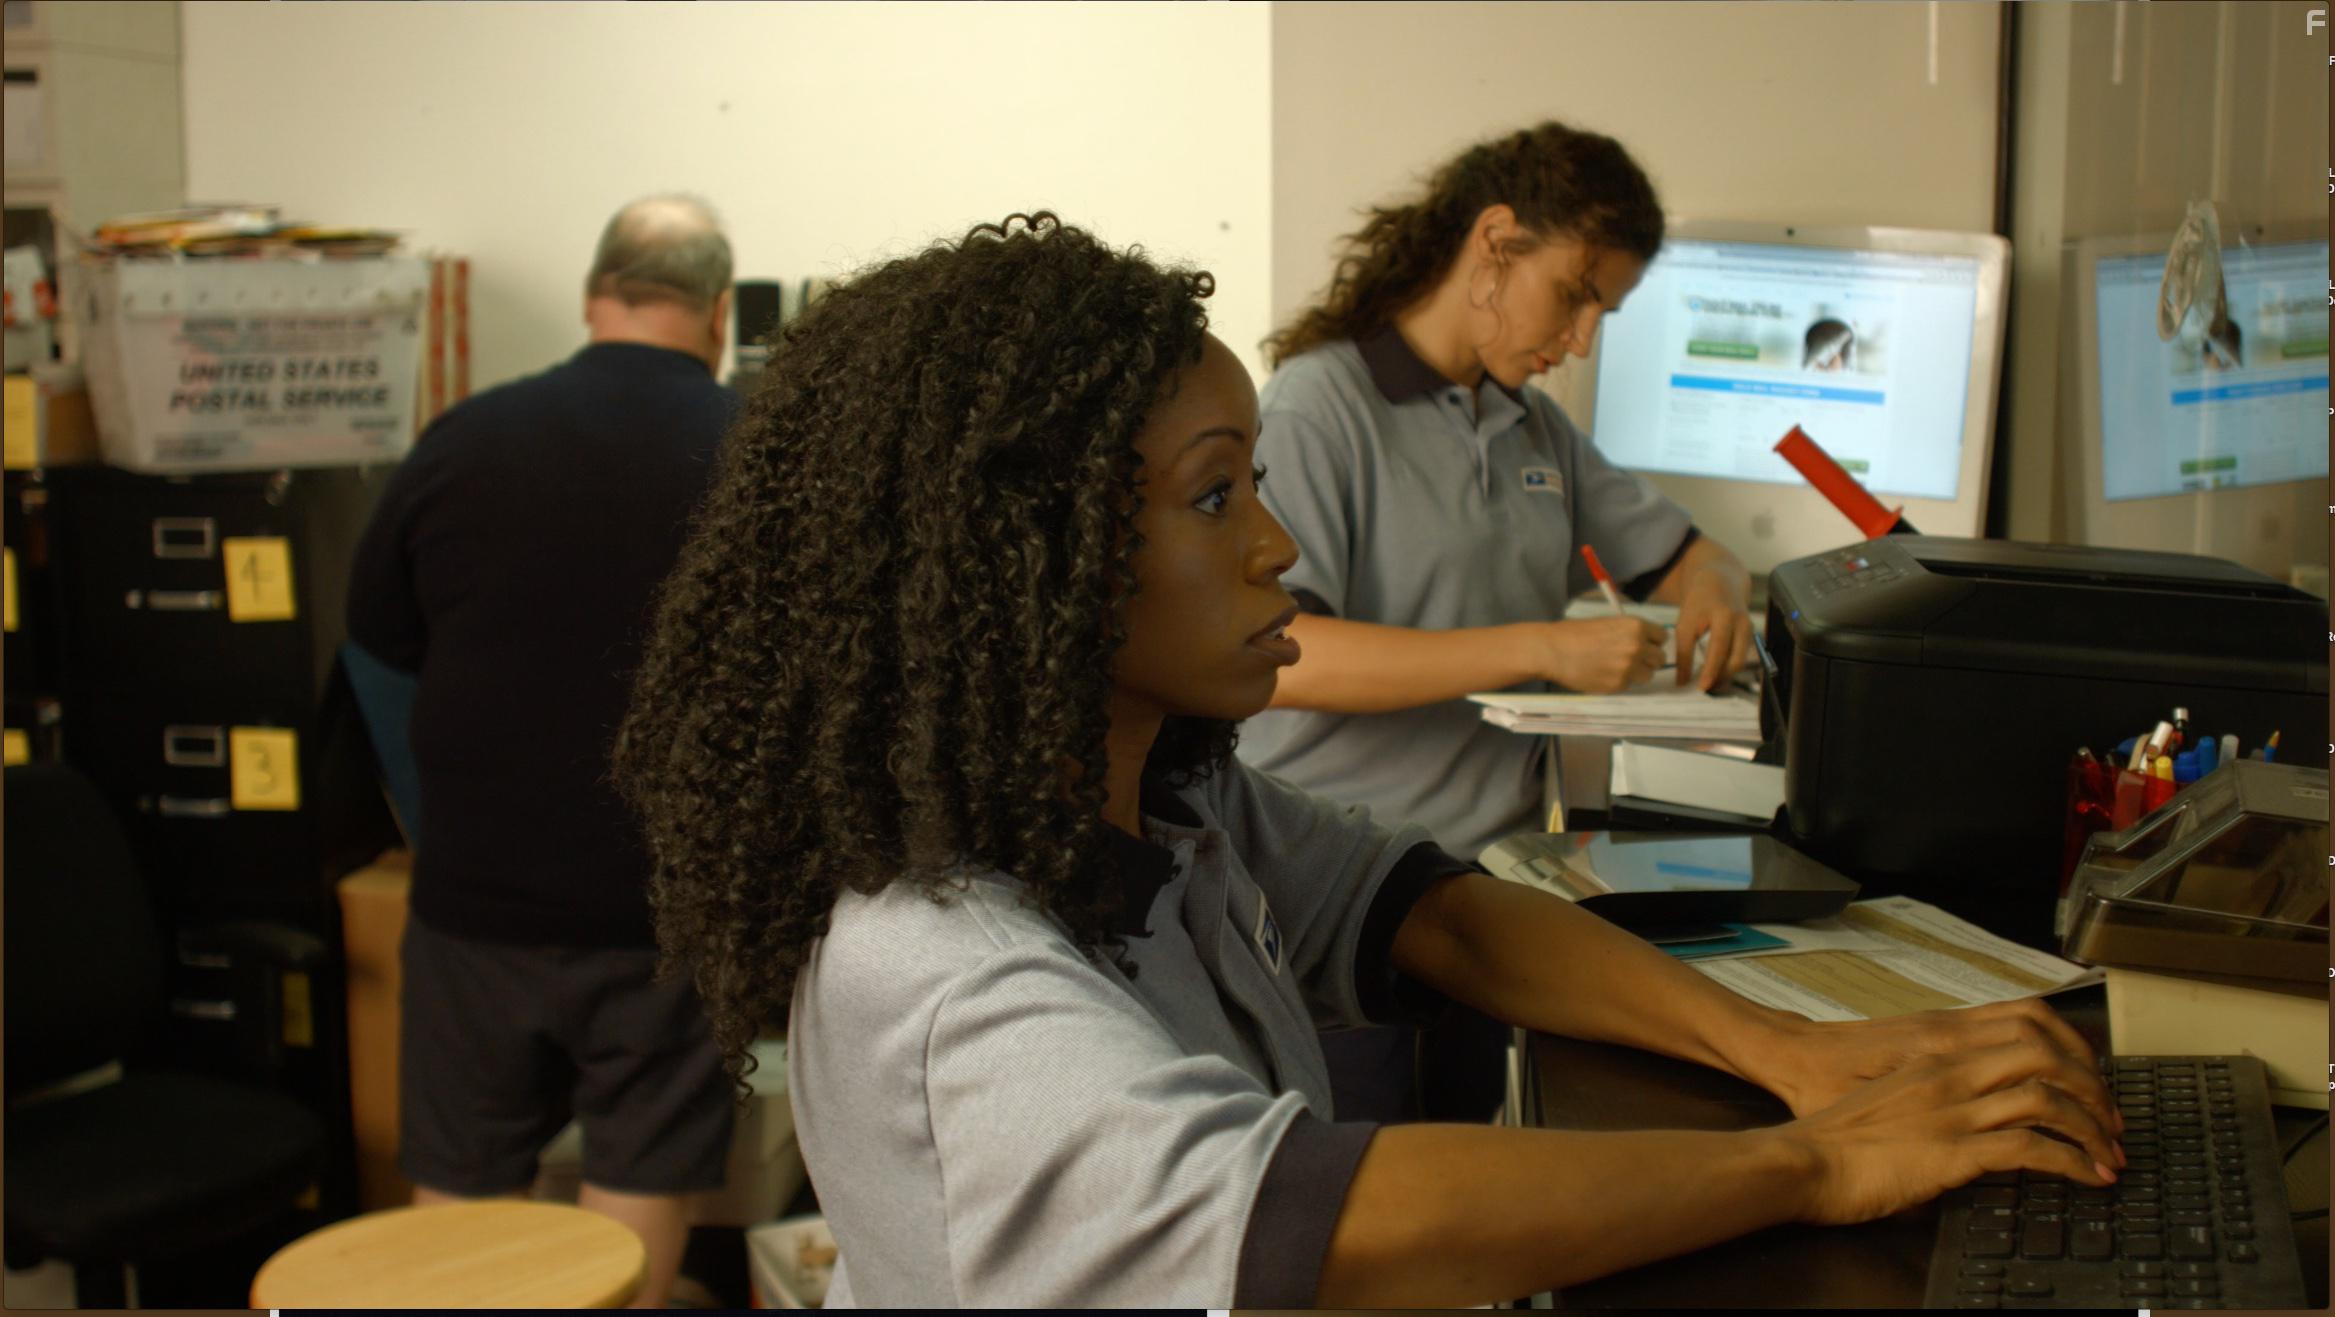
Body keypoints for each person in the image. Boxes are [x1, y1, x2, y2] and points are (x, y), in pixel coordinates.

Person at [611, 213, 2122, 1309]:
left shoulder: (1174, 801)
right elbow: (1297, 1220)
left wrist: (1783, 1054)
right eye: (1216, 498)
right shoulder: (942, 968)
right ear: (1027, 559)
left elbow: (1435, 913)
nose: (1274, 545)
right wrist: (1820, 1162)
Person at [1236, 122, 1762, 1121]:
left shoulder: (1530, 427)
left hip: (1485, 898)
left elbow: (1696, 552)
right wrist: (1540, 647)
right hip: (1342, 900)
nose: (1581, 340)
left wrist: (1717, 592)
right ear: (1495, 243)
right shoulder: (1317, 410)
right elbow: (1287, 655)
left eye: (1603, 312)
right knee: (1363, 1188)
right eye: (1574, 295)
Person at [345, 194, 739, 1309]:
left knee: (461, 1191)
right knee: (640, 1180)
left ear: (593, 295)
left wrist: (432, 816)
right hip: (665, 910)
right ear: (717, 312)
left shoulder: (464, 438)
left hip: (475, 906)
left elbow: (374, 642)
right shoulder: (758, 450)